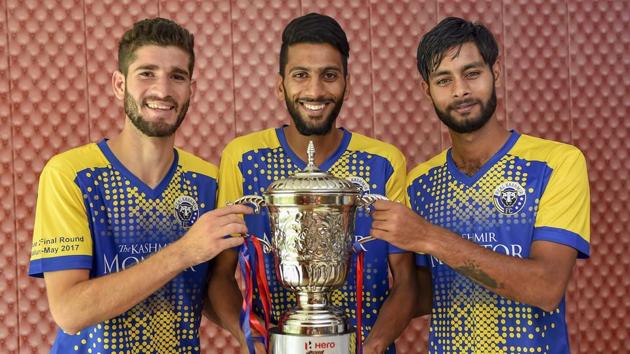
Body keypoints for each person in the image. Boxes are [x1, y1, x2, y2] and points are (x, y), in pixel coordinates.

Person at [28, 17, 251, 354]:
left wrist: (255, 338)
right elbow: (70, 312)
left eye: (177, 76)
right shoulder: (71, 175)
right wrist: (184, 251)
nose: (162, 90)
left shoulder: (208, 181)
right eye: (147, 73)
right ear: (120, 84)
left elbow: (208, 288)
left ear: (192, 88)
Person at [370, 17, 590, 353]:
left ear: (495, 72)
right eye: (444, 80)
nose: (460, 90)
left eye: (471, 73)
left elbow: (546, 288)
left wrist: (429, 237)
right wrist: (373, 341)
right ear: (426, 90)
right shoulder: (420, 184)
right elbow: (423, 292)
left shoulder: (555, 163)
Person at [207, 12, 418, 354]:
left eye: (329, 76)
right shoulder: (243, 158)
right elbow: (219, 275)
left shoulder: (385, 162)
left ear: (347, 83)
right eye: (301, 75)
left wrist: (374, 345)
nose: (315, 90)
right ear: (281, 85)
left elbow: (407, 281)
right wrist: (251, 339)